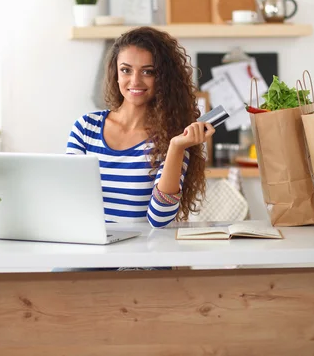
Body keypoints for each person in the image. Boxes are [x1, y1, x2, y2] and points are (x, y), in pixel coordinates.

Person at [66, 26, 215, 227]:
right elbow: (68, 201)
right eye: (126, 70)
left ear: (163, 78)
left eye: (148, 71)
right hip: (90, 253)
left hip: (141, 257)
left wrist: (177, 147)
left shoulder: (172, 139)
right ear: (115, 73)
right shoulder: (86, 128)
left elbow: (159, 218)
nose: (135, 81)